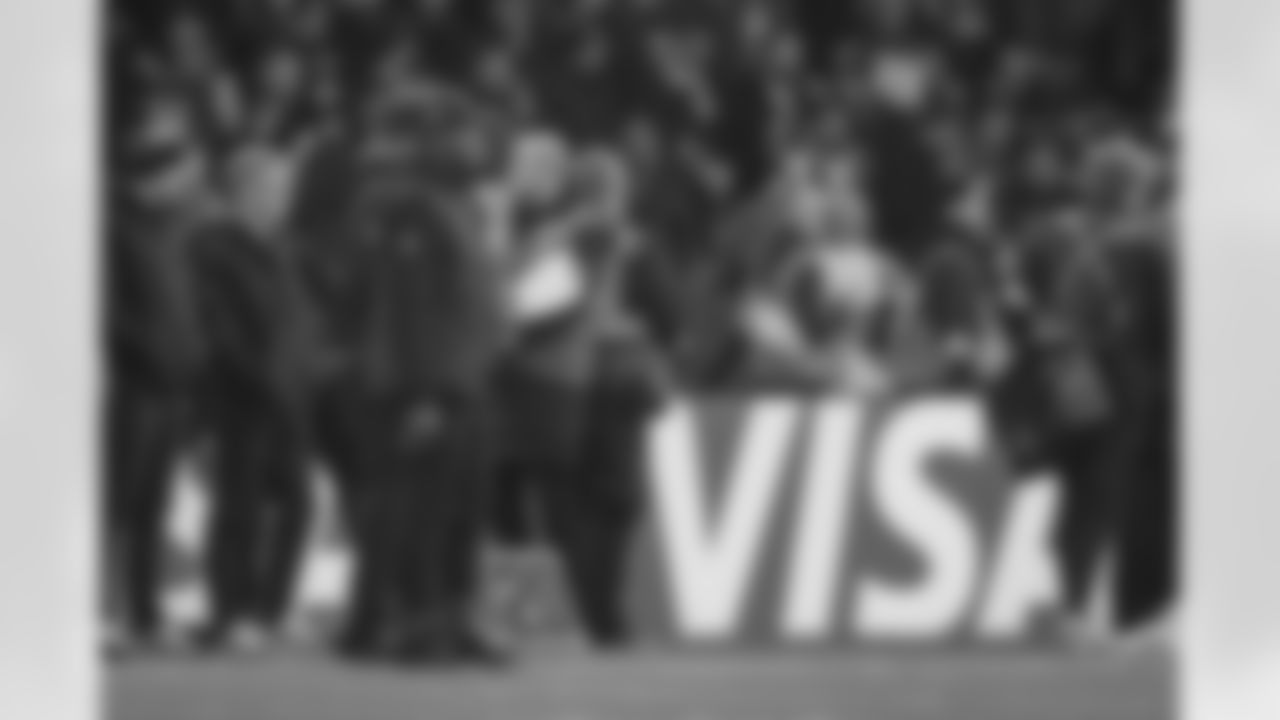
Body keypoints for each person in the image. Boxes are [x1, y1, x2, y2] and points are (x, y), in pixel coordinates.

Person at [341, 80, 509, 665]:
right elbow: (411, 310)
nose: (480, 144)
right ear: (437, 140)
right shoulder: (413, 208)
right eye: (468, 133)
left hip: (466, 380)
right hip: (428, 384)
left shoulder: (456, 204)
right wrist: (423, 394)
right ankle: (416, 623)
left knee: (464, 509)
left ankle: (456, 617)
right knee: (423, 509)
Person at [187, 138, 311, 652]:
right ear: (242, 192)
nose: (283, 200)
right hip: (238, 399)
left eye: (286, 189)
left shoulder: (280, 249)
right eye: (273, 189)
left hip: (288, 399)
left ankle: (270, 609)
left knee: (297, 505)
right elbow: (219, 330)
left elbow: (296, 324)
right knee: (237, 508)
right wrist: (261, 379)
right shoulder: (211, 248)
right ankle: (229, 613)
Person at [104, 96, 210, 653]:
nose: (191, 186)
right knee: (114, 506)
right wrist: (143, 355)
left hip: (169, 387)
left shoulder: (168, 230)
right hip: (131, 386)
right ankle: (98, 616)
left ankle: (143, 615)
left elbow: (182, 310)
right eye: (184, 173)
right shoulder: (113, 225)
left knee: (150, 508)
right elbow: (106, 309)